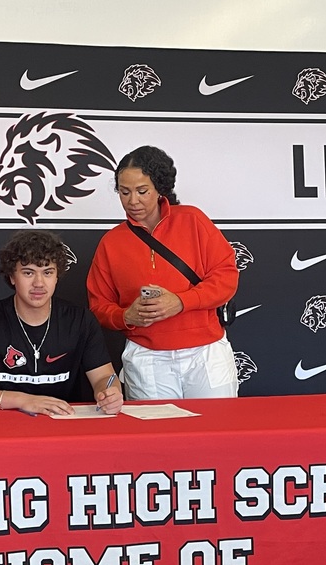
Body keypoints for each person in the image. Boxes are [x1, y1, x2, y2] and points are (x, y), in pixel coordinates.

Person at [86, 145, 239, 399]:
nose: (132, 201)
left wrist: (181, 302)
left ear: (160, 189)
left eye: (142, 191)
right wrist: (127, 316)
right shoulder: (111, 242)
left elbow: (226, 277)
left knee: (217, 433)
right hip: (147, 358)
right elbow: (99, 307)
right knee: (156, 438)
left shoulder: (193, 220)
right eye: (124, 192)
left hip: (206, 354)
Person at [0, 230, 123, 416]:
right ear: (12, 277)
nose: (39, 283)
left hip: (64, 423)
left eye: (47, 272)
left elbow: (103, 377)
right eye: (28, 272)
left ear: (57, 276)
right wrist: (24, 400)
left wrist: (109, 394)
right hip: (6, 426)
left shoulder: (81, 320)